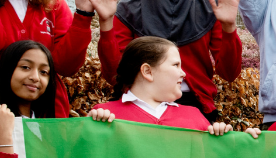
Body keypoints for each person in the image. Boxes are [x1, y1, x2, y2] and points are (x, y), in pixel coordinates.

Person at [82, 0, 243, 122]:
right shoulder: (129, 8)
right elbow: (114, 75)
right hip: (140, 110)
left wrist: (229, 28)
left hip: (195, 111)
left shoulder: (209, 6)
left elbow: (229, 73)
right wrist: (106, 22)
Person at [88, 36, 234, 135]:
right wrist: (90, 128)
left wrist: (243, 141)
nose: (183, 74)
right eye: (176, 65)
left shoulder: (195, 117)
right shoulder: (105, 115)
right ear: (147, 71)